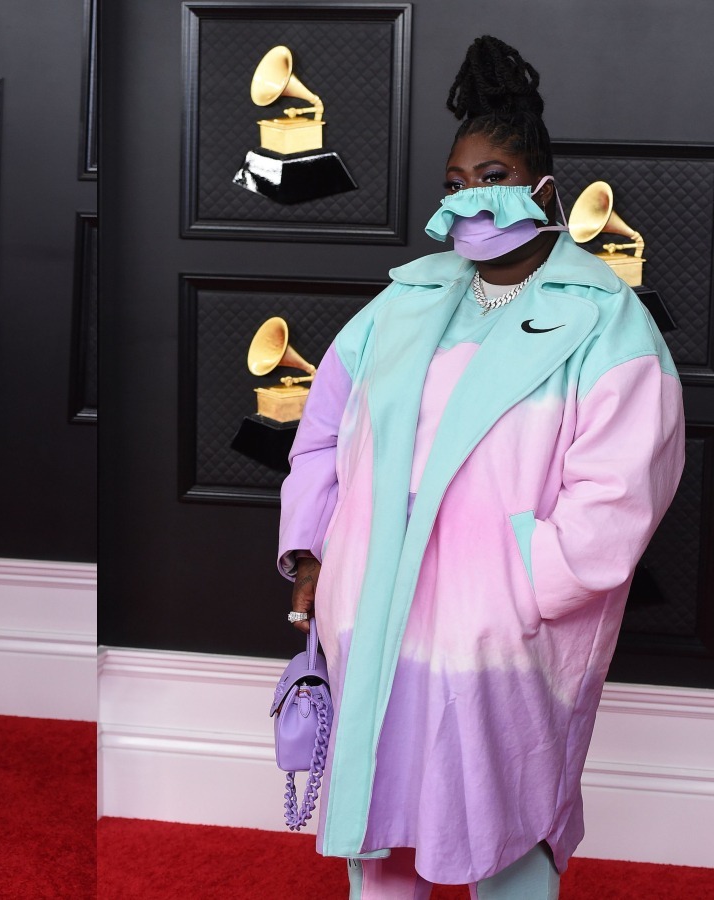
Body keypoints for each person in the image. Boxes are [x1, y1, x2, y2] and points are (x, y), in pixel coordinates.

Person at [278, 36, 684, 900]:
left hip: (498, 633)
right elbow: (320, 434)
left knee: (504, 828)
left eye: (491, 177)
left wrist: (523, 587)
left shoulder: (607, 321)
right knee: (378, 826)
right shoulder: (404, 299)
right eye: (455, 184)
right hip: (375, 609)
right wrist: (317, 553)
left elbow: (621, 490)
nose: (470, 199)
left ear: (543, 190)